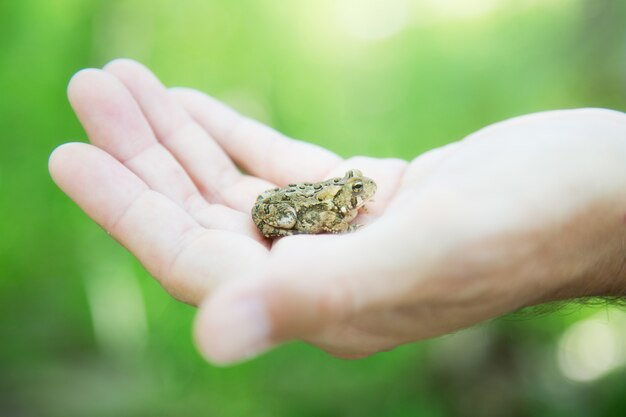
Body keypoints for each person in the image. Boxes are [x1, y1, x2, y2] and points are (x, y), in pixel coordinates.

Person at [49, 59, 626, 365]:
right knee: (285, 211)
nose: (359, 196)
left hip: (285, 202)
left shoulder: (343, 194)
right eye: (354, 192)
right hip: (281, 212)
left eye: (356, 191)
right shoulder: (332, 208)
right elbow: (317, 215)